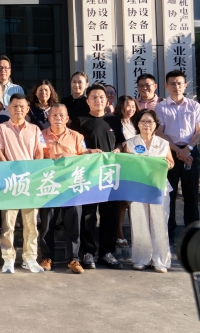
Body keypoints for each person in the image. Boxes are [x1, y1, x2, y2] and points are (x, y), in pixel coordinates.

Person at [70, 84, 126, 270]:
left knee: (110, 213)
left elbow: (120, 142)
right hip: (88, 174)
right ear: (87, 101)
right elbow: (75, 147)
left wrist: (118, 149)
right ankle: (88, 252)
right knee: (88, 215)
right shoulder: (79, 121)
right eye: (93, 97)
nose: (98, 100)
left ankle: (106, 253)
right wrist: (88, 151)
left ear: (107, 100)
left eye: (101, 97)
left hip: (110, 174)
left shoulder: (114, 120)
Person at [0, 93, 46, 274]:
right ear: (9, 108)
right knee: (8, 224)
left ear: (27, 109)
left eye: (22, 106)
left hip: (30, 182)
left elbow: (39, 153)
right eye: (15, 106)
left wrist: (34, 173)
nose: (18, 109)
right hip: (10, 183)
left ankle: (30, 258)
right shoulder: (1, 128)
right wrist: (11, 173)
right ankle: (8, 259)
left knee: (31, 224)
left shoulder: (35, 129)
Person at [156, 70, 200, 244]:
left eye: (179, 83)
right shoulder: (161, 107)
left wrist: (188, 149)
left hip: (191, 151)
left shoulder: (194, 106)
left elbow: (199, 131)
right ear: (166, 86)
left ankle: (192, 236)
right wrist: (179, 150)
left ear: (185, 85)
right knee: (169, 195)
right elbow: (159, 132)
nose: (176, 86)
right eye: (172, 83)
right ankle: (168, 235)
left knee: (191, 194)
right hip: (169, 153)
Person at [123, 109, 175, 272]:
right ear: (137, 124)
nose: (146, 125)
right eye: (143, 121)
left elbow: (171, 162)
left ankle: (160, 260)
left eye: (150, 122)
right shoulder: (130, 143)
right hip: (137, 187)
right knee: (139, 221)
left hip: (158, 187)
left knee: (160, 221)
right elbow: (126, 165)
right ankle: (141, 258)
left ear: (155, 124)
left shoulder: (163, 143)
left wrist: (166, 164)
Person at [39, 103, 87, 274]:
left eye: (61, 116)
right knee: (47, 223)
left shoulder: (77, 136)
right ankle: (47, 257)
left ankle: (73, 259)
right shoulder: (40, 135)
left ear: (67, 118)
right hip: (49, 185)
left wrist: (69, 156)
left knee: (73, 222)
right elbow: (35, 158)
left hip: (71, 186)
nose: (58, 118)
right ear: (48, 118)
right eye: (54, 115)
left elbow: (84, 158)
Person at [114, 94, 139, 248]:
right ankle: (119, 233)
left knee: (135, 201)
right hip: (123, 165)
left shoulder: (136, 122)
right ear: (121, 107)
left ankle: (135, 232)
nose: (131, 109)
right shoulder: (116, 122)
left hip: (137, 166)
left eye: (133, 106)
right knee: (122, 202)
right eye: (127, 106)